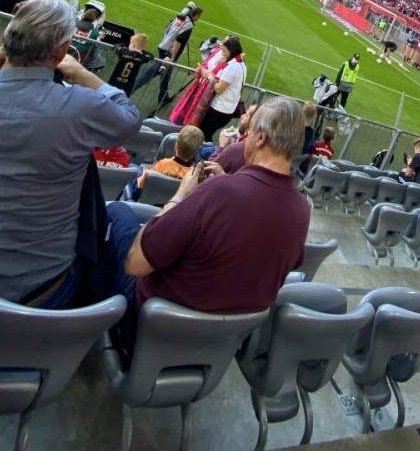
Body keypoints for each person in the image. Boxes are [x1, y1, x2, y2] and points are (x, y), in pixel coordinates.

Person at [0, 0, 142, 353]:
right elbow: (129, 116)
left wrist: (2, 54)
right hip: (42, 296)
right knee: (119, 218)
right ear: (60, 53)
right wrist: (77, 71)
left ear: (5, 43)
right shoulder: (78, 107)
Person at [106, 97, 310, 354]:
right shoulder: (302, 208)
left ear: (260, 138)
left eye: (248, 133)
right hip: (218, 344)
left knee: (117, 212)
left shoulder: (220, 190)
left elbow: (136, 263)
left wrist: (180, 197)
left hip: (153, 332)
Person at [133, 2, 203, 105]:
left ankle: (163, 96)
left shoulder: (180, 18)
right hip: (169, 53)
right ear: (196, 15)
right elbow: (177, 42)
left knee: (166, 74)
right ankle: (131, 88)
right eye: (199, 16)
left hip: (164, 46)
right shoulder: (189, 25)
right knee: (152, 72)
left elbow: (168, 29)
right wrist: (172, 57)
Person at [169, 32, 226, 126]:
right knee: (188, 104)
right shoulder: (217, 50)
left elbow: (215, 73)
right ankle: (179, 122)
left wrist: (205, 72)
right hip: (200, 83)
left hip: (206, 88)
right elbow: (206, 60)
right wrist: (202, 68)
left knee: (195, 110)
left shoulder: (227, 60)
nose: (223, 42)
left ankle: (186, 126)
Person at [199, 35, 246, 141]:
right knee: (205, 134)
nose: (222, 54)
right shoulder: (241, 64)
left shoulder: (232, 67)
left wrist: (209, 76)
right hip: (226, 109)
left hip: (220, 109)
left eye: (224, 51)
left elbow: (219, 88)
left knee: (203, 134)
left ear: (231, 51)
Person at [136, 126, 205, 186]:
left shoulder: (163, 164)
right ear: (197, 151)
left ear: (175, 145)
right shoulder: (194, 175)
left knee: (136, 168)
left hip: (150, 198)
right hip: (176, 201)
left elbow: (143, 184)